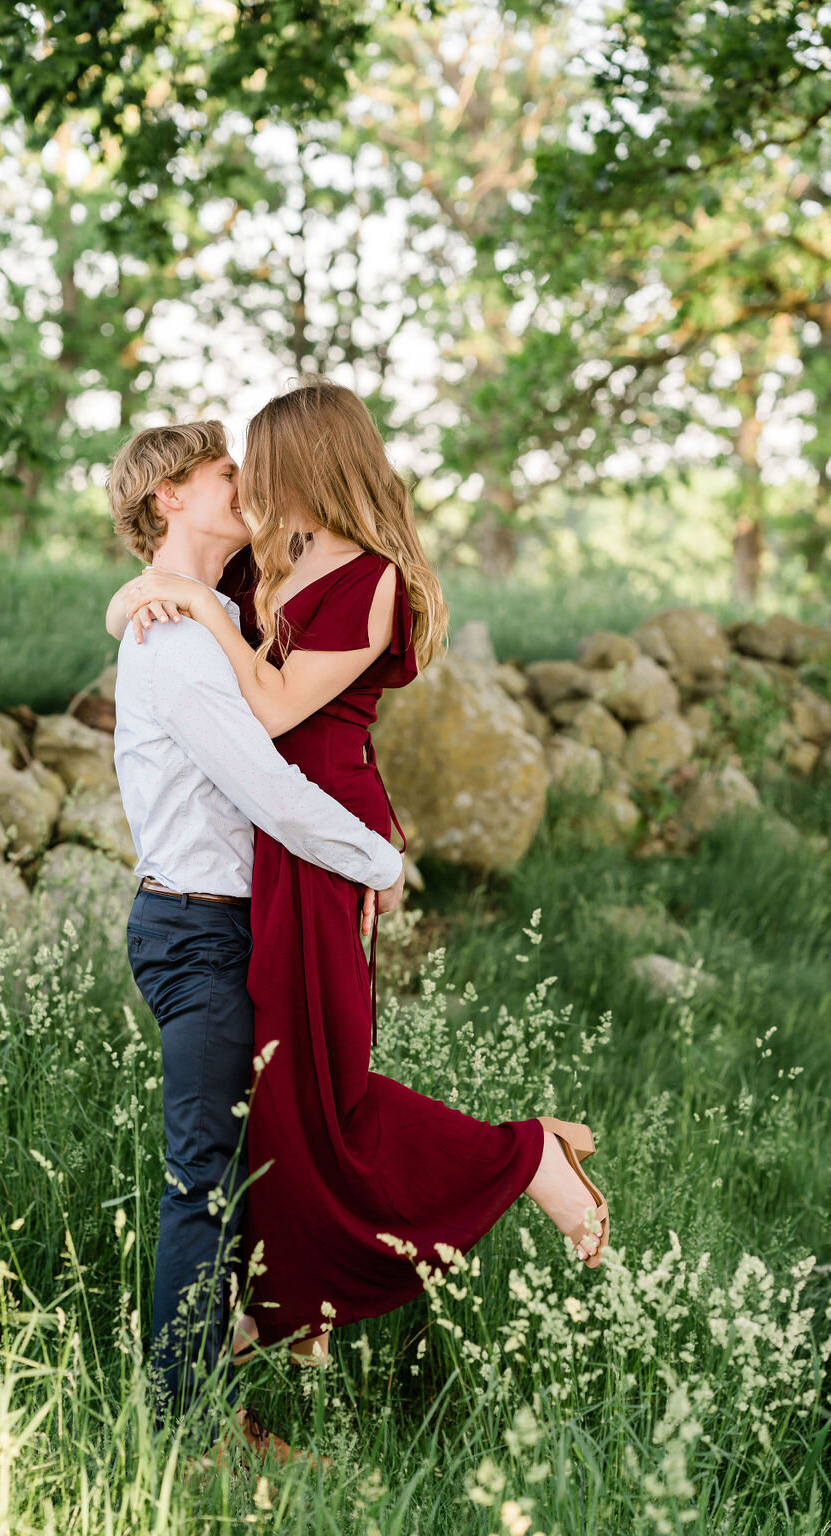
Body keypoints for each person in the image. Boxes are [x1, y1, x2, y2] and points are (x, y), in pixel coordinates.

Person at [120, 379, 610, 1371]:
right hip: (282, 852)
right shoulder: (269, 571)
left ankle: (520, 1161)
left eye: (257, 462)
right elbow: (185, 607)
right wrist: (146, 591)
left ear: (306, 461)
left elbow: (265, 715)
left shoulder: (364, 577)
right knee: (293, 1104)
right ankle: (276, 1312)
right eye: (230, 470)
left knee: (320, 1096)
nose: (250, 481)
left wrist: (371, 854)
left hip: (318, 838)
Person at [104, 419, 405, 1460]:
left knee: (261, 1152)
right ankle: (186, 1428)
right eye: (228, 477)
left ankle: (231, 1375)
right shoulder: (175, 638)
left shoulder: (216, 613)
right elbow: (269, 790)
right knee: (203, 1177)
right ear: (167, 499)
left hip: (239, 924)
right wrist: (380, 862)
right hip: (198, 930)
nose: (252, 491)